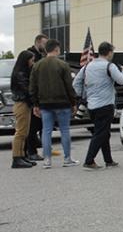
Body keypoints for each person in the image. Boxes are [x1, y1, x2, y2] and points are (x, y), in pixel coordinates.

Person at [72, 42, 123, 171]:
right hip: (105, 105)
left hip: (91, 106)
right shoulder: (109, 66)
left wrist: (83, 94)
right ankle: (89, 160)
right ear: (109, 52)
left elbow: (76, 83)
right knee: (100, 134)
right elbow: (122, 81)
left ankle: (108, 160)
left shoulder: (88, 66)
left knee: (104, 133)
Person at [29, 39, 79, 168]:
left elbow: (32, 87)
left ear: (46, 49)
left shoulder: (37, 65)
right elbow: (69, 86)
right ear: (56, 49)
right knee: (64, 130)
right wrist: (73, 102)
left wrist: (35, 104)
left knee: (46, 131)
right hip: (62, 103)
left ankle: (47, 160)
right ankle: (67, 159)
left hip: (45, 104)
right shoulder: (63, 65)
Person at [10, 50, 36, 168]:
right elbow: (27, 89)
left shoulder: (23, 72)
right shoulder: (20, 74)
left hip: (25, 103)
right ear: (26, 60)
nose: (32, 62)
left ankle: (22, 155)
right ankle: (16, 158)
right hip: (21, 103)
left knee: (25, 131)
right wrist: (36, 101)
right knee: (20, 132)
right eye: (31, 60)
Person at [25, 33, 48, 161]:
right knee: (33, 126)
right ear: (38, 42)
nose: (45, 46)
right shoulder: (30, 54)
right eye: (44, 43)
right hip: (33, 97)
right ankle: (31, 151)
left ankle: (37, 149)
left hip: (41, 96)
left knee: (40, 125)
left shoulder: (42, 55)